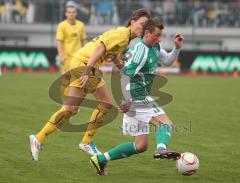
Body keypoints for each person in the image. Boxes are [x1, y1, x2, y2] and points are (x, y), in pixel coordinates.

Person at [29, 9, 151, 161]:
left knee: (71, 109)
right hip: (85, 64)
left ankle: (38, 138)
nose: (144, 28)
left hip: (80, 61)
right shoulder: (122, 34)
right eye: (141, 24)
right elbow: (100, 48)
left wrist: (132, 74)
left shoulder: (125, 39)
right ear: (132, 22)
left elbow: (116, 60)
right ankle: (87, 142)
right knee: (106, 104)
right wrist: (87, 71)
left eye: (146, 26)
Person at [90, 18, 184, 176]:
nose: (159, 38)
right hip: (134, 97)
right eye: (157, 35)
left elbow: (167, 61)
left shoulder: (155, 46)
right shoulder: (141, 50)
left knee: (140, 146)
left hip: (139, 96)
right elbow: (126, 74)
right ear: (147, 33)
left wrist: (176, 48)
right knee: (165, 124)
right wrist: (127, 100)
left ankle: (100, 158)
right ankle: (161, 149)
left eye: (160, 35)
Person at [56, 1, 87, 73]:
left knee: (79, 80)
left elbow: (84, 40)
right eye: (69, 12)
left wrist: (87, 53)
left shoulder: (81, 25)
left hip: (78, 57)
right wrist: (61, 55)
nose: (71, 14)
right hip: (66, 58)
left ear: (76, 13)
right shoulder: (61, 26)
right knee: (66, 80)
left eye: (73, 12)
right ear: (66, 14)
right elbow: (59, 42)